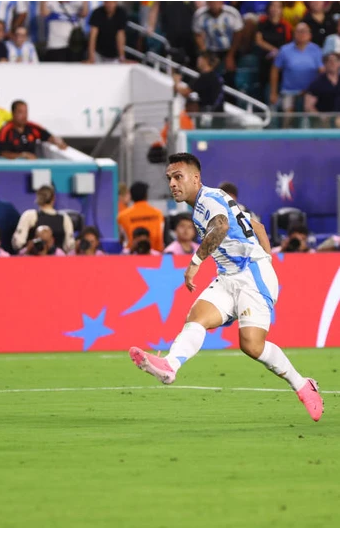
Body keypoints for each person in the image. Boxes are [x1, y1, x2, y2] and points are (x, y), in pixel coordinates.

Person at [128, 152, 323, 422]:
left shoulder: (208, 199)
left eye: (178, 177)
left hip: (252, 275)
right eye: (169, 178)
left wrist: (196, 263)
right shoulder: (209, 201)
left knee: (252, 346)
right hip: (229, 276)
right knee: (197, 317)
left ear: (196, 178)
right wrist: (266, 258)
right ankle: (169, 366)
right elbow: (258, 227)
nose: (172, 183)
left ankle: (302, 385)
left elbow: (220, 227)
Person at [270, 22, 323, 116]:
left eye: (304, 31)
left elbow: (322, 71)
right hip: (289, 91)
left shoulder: (316, 50)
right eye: (299, 31)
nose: (302, 34)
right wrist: (273, 92)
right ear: (294, 34)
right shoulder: (284, 50)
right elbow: (275, 70)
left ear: (310, 35)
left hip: (310, 92)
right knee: (288, 117)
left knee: (311, 115)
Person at [0, 100, 67, 159]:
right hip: (12, 167)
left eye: (26, 112)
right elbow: (1, 153)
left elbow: (49, 136)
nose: (24, 116)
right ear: (13, 113)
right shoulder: (6, 130)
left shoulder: (32, 127)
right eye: (20, 112)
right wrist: (22, 155)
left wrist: (59, 142)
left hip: (31, 164)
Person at [12, 185, 75, 254]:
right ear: (53, 198)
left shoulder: (29, 216)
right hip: (57, 258)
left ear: (38, 197)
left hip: (35, 257)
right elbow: (69, 246)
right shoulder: (65, 218)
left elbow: (18, 243)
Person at [117, 181, 165, 253]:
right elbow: (162, 236)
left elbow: (123, 239)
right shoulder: (158, 214)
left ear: (131, 196)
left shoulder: (122, 216)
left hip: (133, 254)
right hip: (156, 255)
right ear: (146, 195)